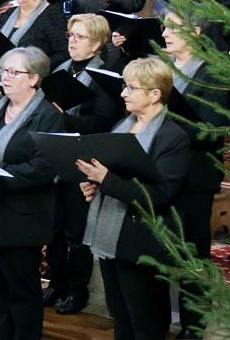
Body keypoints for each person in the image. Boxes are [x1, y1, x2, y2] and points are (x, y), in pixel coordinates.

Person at [77, 57, 190, 340]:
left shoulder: (173, 137)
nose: (123, 93)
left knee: (145, 323)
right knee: (121, 319)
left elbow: (160, 196)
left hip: (143, 241)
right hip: (110, 235)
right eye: (124, 86)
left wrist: (107, 180)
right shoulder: (123, 125)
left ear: (155, 94)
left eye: (131, 88)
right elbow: (113, 176)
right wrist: (95, 185)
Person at [0, 46, 62, 340]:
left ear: (34, 78)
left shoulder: (47, 116)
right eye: (3, 70)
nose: (5, 77)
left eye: (13, 72)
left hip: (20, 218)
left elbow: (44, 168)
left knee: (22, 294)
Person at [43, 14, 125, 314]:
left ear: (98, 43)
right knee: (53, 227)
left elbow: (101, 122)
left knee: (76, 230)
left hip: (84, 159)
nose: (72, 42)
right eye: (71, 36)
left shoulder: (105, 76)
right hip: (56, 153)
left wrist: (61, 115)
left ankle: (78, 290)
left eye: (80, 37)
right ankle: (56, 282)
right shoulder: (63, 69)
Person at [162, 11, 230, 339]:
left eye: (173, 28)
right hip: (161, 173)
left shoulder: (211, 75)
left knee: (192, 252)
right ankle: (157, 318)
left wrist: (166, 117)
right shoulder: (164, 70)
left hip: (194, 176)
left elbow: (212, 131)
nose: (164, 33)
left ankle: (194, 323)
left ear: (197, 32)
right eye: (164, 26)